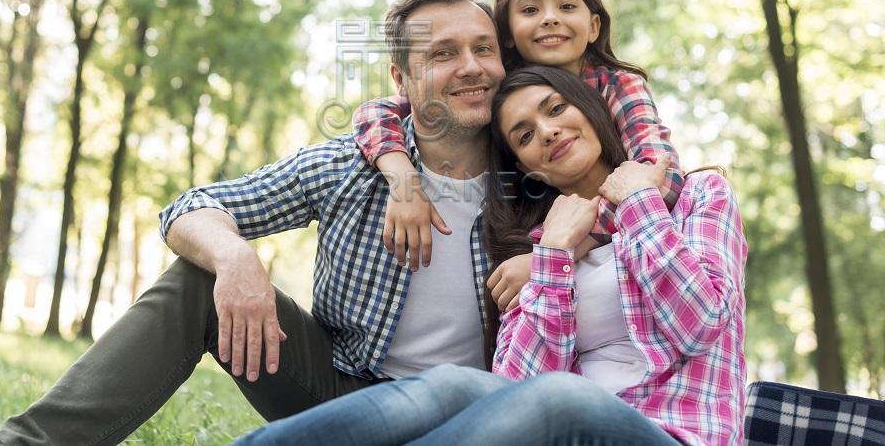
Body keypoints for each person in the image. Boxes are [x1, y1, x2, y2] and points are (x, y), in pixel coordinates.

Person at [0, 0, 506, 444]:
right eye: (442, 54)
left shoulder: (541, 170)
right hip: (344, 393)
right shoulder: (346, 167)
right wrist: (236, 260)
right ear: (402, 79)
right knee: (198, 278)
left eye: (484, 49)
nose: (471, 67)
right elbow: (192, 208)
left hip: (481, 418)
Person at [234, 65, 747, 446]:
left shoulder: (698, 197)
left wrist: (638, 200)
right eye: (524, 135)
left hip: (675, 434)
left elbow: (699, 320)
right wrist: (554, 255)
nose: (545, 131)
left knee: (565, 400)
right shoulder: (539, 249)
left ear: (589, 109)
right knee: (455, 383)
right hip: (562, 424)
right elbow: (514, 389)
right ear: (527, 168)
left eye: (555, 109)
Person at [353, 0, 683, 302]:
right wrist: (403, 176)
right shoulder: (498, 91)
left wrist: (559, 251)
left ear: (594, 26)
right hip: (544, 230)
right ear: (507, 34)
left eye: (567, 7)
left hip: (627, 240)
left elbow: (660, 178)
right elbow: (377, 112)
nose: (550, 19)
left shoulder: (617, 86)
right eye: (530, 10)